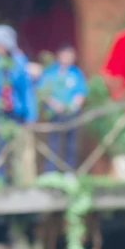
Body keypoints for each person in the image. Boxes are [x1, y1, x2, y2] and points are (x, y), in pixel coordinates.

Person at [0, 25, 37, 179]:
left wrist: (30, 115)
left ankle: (21, 183)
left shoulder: (19, 62)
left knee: (19, 151)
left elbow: (26, 90)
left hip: (17, 114)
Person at [38, 44, 88, 172]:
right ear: (59, 55)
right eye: (65, 54)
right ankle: (50, 173)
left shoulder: (76, 73)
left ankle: (69, 172)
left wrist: (73, 105)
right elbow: (42, 91)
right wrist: (54, 104)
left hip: (71, 114)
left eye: (70, 55)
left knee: (71, 145)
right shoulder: (50, 72)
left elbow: (81, 92)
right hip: (54, 113)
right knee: (53, 144)